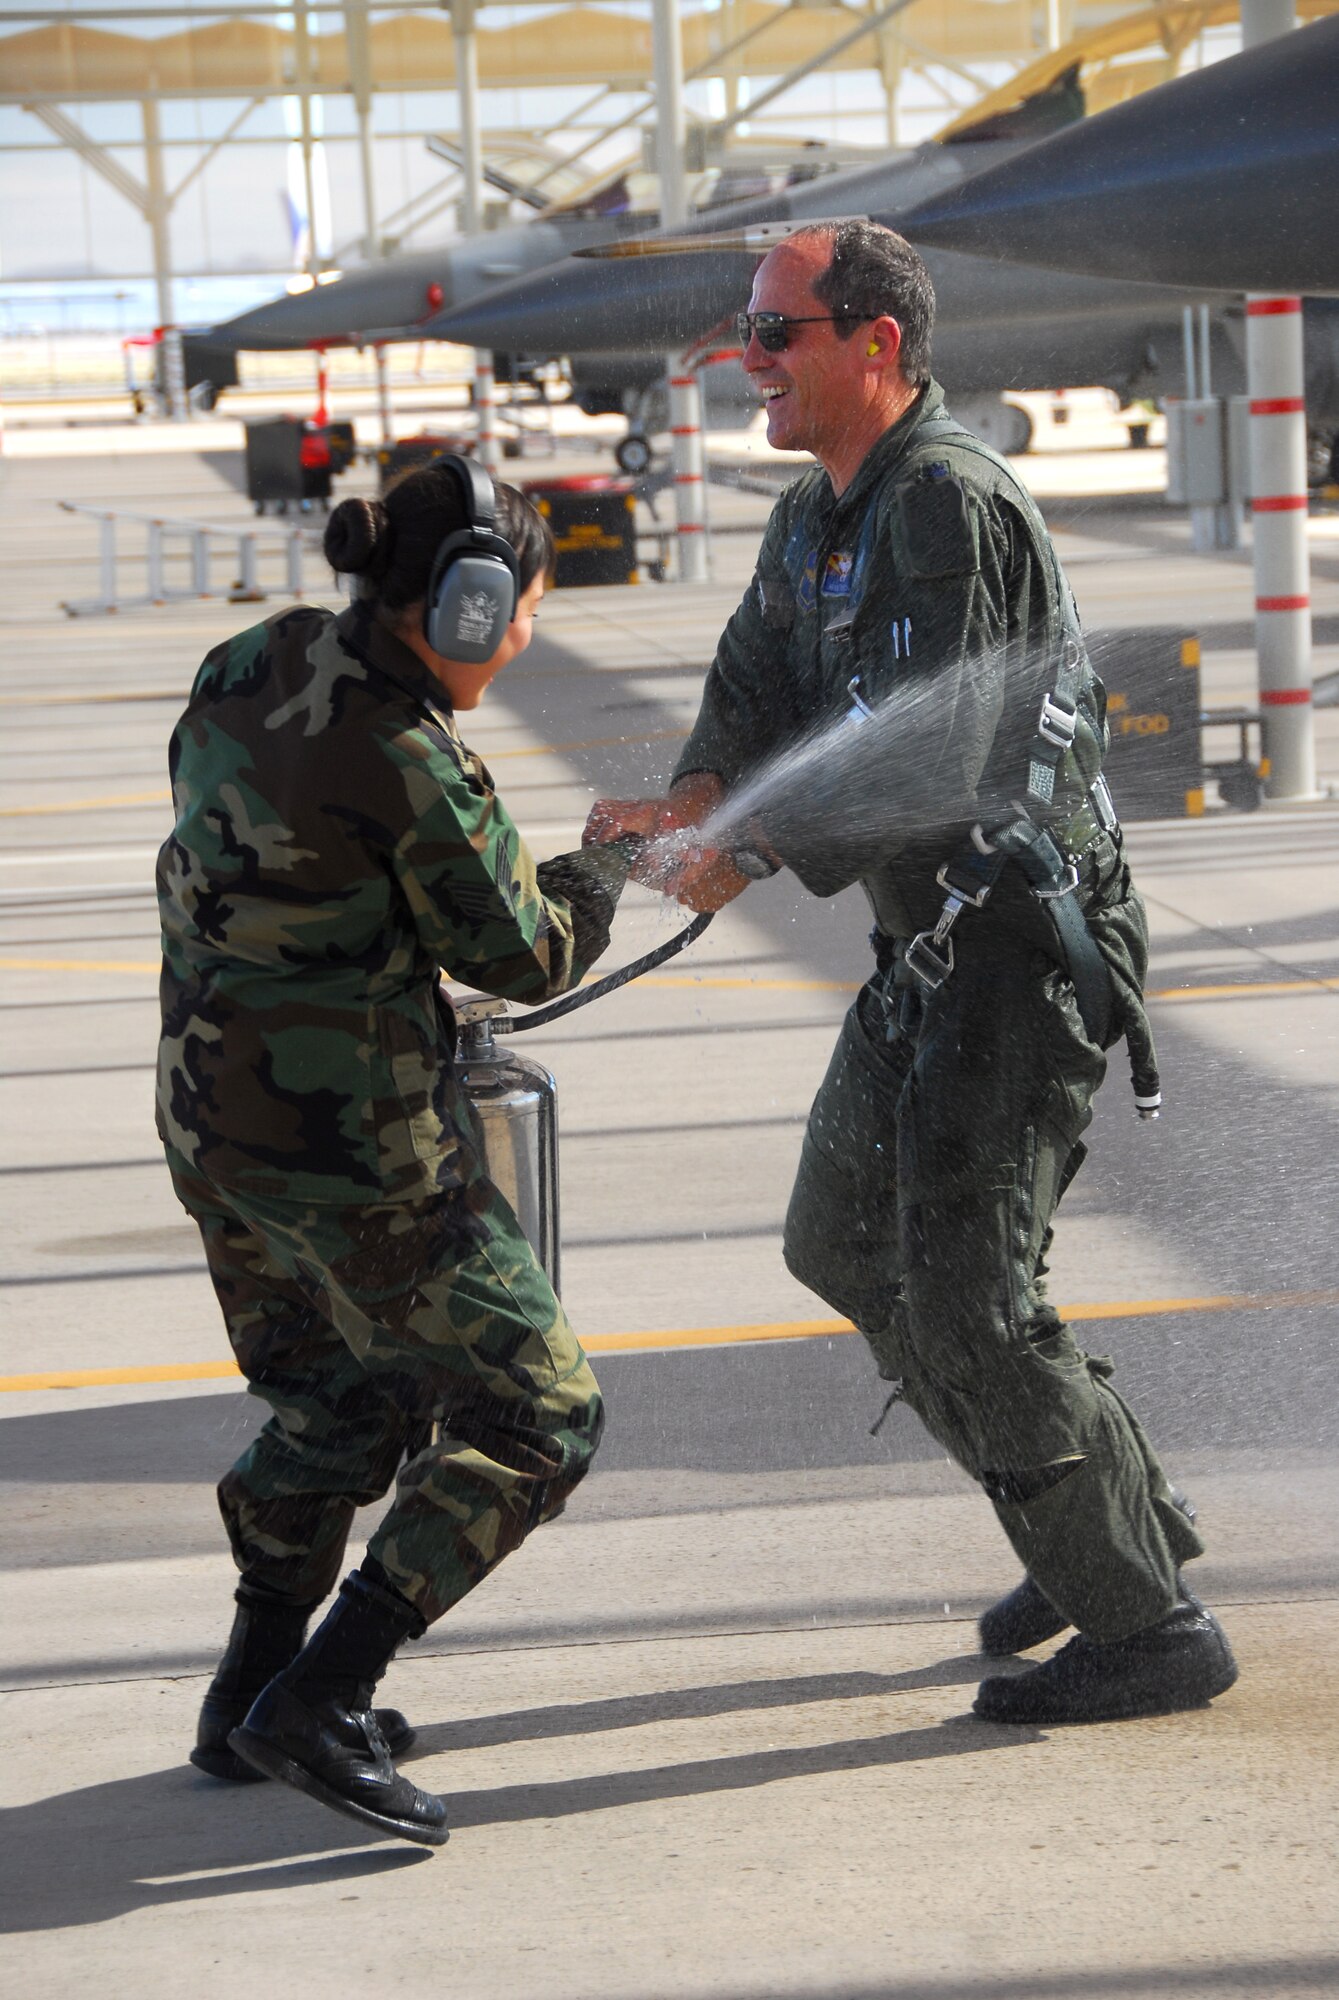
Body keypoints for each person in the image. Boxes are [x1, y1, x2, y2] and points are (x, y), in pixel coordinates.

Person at [587, 222, 1237, 1725]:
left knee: (967, 1300)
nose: (745, 361)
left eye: (774, 335)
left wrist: (741, 857)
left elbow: (931, 754)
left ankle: (1150, 1626)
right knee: (839, 1241)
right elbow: (754, 689)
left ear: (875, 344)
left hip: (1020, 953)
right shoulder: (814, 514)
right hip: (930, 949)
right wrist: (690, 805)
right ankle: (1090, 1522)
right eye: (747, 333)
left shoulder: (942, 503)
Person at [157, 457, 631, 1845]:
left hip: (212, 1117)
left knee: (333, 1403)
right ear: (470, 605)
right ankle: (325, 1694)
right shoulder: (411, 753)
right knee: (544, 1416)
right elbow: (524, 950)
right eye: (524, 607)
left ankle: (250, 1692)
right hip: (354, 1151)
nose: (527, 635)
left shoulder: (250, 656)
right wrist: (607, 864)